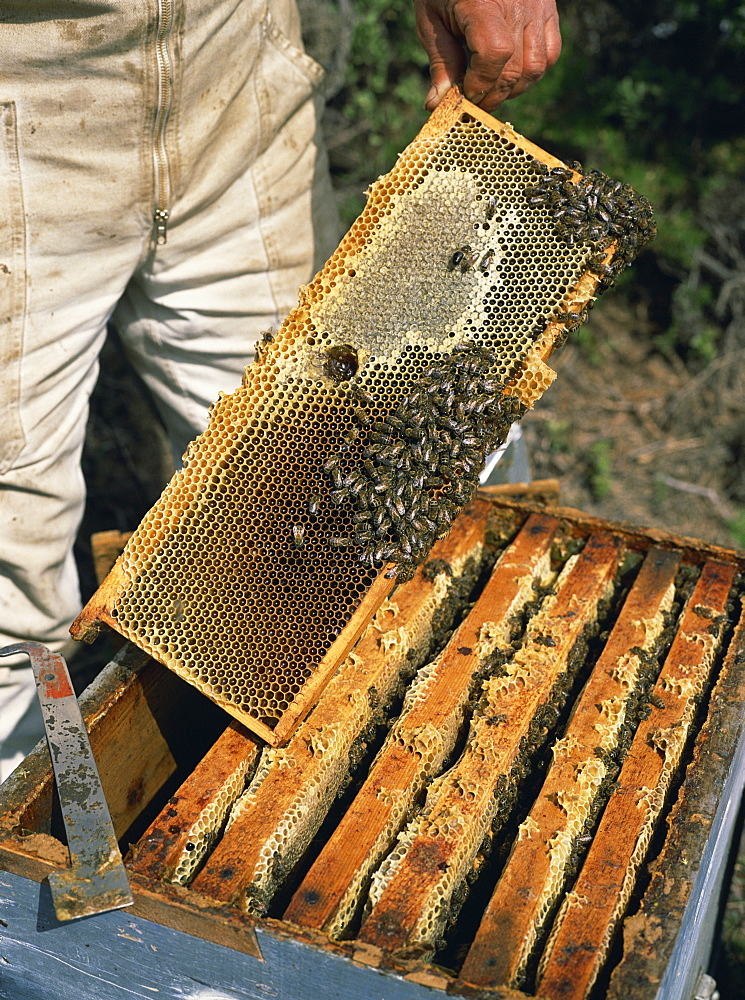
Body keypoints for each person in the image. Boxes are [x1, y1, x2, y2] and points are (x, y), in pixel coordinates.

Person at [0, 0, 561, 780]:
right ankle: (26, 838)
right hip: (22, 78)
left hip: (231, 57)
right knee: (9, 575)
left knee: (321, 493)